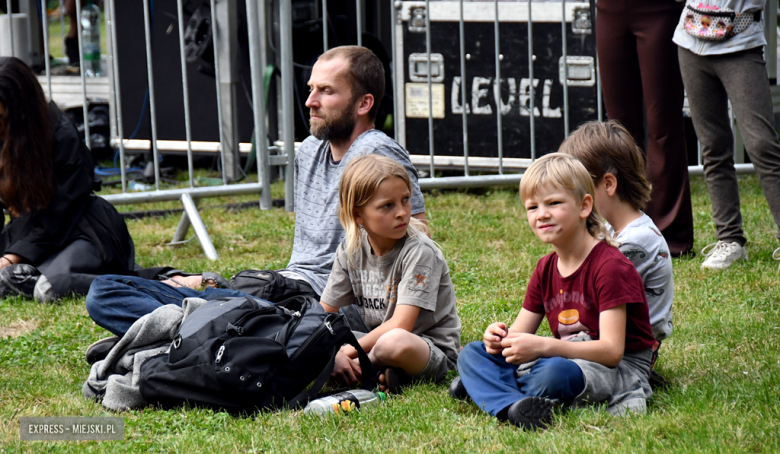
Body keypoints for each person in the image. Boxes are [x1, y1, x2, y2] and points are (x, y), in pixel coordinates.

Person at [85, 46, 426, 355]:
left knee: (126, 297)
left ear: (364, 103)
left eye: (326, 91)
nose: (310, 101)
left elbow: (414, 236)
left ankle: (181, 336)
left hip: (320, 309)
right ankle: (189, 334)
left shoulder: (376, 154)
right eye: (311, 89)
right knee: (105, 291)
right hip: (283, 291)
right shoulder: (309, 151)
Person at [452, 153, 655, 430]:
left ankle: (489, 390)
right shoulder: (546, 267)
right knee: (472, 354)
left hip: (612, 368)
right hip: (564, 354)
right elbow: (518, 335)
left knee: (553, 373)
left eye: (554, 203)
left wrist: (544, 346)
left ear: (585, 206)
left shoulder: (611, 267)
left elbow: (611, 352)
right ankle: (512, 405)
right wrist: (498, 340)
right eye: (532, 207)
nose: (542, 214)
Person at [319, 155, 460, 394]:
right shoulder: (350, 248)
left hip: (425, 348)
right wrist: (330, 349)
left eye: (405, 200)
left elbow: (401, 325)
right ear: (357, 215)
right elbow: (324, 313)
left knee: (392, 342)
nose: (402, 213)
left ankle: (362, 369)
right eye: (387, 205)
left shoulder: (420, 251)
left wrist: (346, 353)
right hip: (373, 338)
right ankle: (385, 373)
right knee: (322, 335)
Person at [0, 57, 135, 302]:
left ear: (19, 111)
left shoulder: (61, 135)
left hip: (81, 229)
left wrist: (10, 258)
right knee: (12, 277)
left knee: (50, 286)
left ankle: (167, 281)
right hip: (28, 231)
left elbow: (58, 217)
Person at [559, 121, 673, 373]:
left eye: (577, 188)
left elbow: (589, 291)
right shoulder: (612, 229)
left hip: (630, 348)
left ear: (608, 184)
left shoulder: (635, 242)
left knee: (554, 362)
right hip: (605, 333)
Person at [674, 0, 780, 270]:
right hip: (690, 40)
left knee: (762, 145)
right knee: (713, 146)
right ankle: (730, 239)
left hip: (741, 44)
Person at [596, 0, 695, 257]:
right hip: (609, 9)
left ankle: (670, 236)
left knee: (663, 125)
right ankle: (622, 226)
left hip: (659, 10)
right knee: (618, 129)